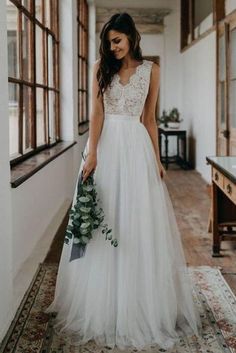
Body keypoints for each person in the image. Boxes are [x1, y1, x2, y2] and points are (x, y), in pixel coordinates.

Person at [46, 12, 202, 351]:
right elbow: (98, 114)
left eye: (117, 40)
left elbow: (149, 119)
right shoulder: (102, 69)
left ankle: (139, 301)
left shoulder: (152, 71)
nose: (113, 47)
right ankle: (99, 302)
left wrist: (158, 160)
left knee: (136, 220)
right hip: (106, 147)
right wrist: (92, 154)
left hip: (136, 148)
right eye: (109, 42)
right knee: (104, 218)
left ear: (131, 36)